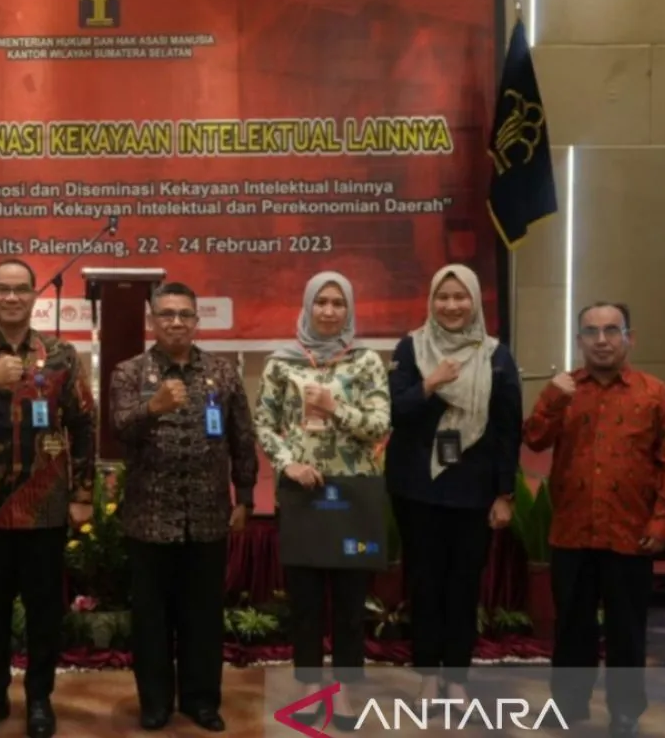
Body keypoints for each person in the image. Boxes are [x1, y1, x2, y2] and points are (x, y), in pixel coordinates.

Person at [0, 258, 95, 738]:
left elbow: (83, 425)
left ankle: (39, 699)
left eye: (21, 289)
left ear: (34, 296)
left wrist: (83, 494)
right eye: (3, 289)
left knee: (45, 610)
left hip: (45, 506)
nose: (12, 297)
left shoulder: (61, 355)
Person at [524, 302, 665, 738]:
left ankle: (625, 711)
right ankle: (568, 704)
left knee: (626, 630)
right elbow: (534, 438)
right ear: (579, 341)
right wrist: (552, 399)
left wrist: (663, 521)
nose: (602, 340)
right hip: (572, 532)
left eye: (612, 330)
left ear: (629, 338)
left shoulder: (655, 394)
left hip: (631, 534)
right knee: (572, 629)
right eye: (591, 332)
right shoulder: (564, 390)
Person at [108, 281, 258, 733]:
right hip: (149, 517)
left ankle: (201, 700)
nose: (176, 322)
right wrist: (151, 408)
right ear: (152, 321)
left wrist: (245, 495)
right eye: (167, 314)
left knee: (203, 617)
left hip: (208, 515)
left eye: (184, 314)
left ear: (196, 321)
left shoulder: (222, 372)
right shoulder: (129, 373)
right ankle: (155, 703)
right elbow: (118, 429)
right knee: (151, 621)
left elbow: (242, 437)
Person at [254, 271, 391, 729]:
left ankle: (345, 690)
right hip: (303, 494)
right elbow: (264, 423)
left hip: (354, 494)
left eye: (338, 303)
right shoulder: (281, 363)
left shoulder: (367, 362)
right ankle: (310, 686)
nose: (329, 311)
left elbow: (379, 425)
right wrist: (286, 462)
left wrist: (335, 408)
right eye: (322, 302)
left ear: (349, 309)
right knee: (306, 603)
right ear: (308, 305)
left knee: (351, 605)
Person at [384, 264, 522, 706]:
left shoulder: (496, 356)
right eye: (443, 296)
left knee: (464, 585)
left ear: (475, 301)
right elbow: (394, 412)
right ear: (432, 301)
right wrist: (430, 383)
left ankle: (456, 676)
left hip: (473, 492)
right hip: (417, 489)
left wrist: (504, 493)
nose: (451, 305)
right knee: (424, 583)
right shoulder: (411, 347)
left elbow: (508, 429)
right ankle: (428, 674)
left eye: (460, 296)